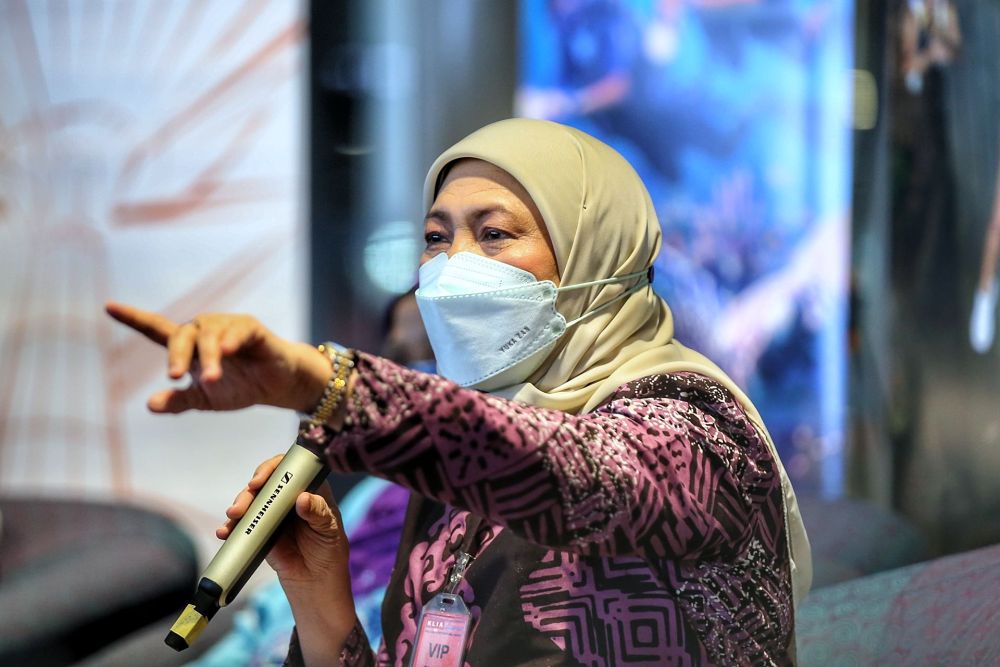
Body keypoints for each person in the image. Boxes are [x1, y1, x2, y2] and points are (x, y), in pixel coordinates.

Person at [107, 118, 810, 666]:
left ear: (599, 252)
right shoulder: (455, 473)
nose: (452, 267)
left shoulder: (695, 431)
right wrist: (321, 601)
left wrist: (326, 383)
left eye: (495, 234)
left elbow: (571, 474)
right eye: (437, 238)